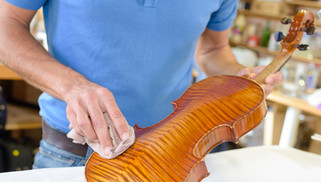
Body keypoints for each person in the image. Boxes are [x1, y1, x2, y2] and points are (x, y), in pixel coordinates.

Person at [0, 0, 283, 168]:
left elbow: (211, 51)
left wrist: (239, 75)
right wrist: (72, 87)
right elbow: (5, 25)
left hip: (171, 153)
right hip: (72, 153)